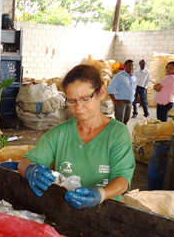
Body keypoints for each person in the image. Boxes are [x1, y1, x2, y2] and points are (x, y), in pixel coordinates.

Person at [17, 64, 135, 209]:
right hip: (66, 209)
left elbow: (123, 180)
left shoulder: (117, 133)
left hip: (106, 210)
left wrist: (99, 195)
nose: (78, 107)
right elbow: (25, 162)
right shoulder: (60, 133)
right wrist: (31, 170)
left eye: (85, 98)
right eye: (72, 101)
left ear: (102, 92)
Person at [107, 60, 137, 125]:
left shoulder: (133, 77)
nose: (130, 67)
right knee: (119, 121)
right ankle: (117, 134)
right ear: (124, 66)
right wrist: (115, 101)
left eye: (132, 65)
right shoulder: (119, 76)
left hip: (130, 101)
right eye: (129, 65)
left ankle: (123, 133)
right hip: (121, 102)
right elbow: (110, 89)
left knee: (126, 120)